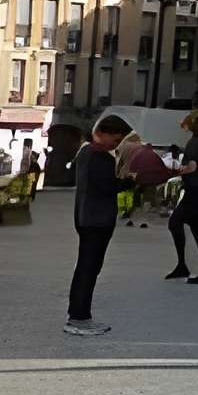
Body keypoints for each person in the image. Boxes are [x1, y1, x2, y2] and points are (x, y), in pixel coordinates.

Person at [65, 113, 131, 336]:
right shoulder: (98, 156)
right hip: (96, 220)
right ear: (102, 133)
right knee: (89, 268)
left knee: (87, 266)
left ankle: (79, 314)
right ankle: (79, 317)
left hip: (87, 218)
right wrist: (130, 180)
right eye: (116, 139)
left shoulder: (85, 152)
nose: (117, 144)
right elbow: (109, 187)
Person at [162, 114, 198, 284]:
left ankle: (183, 266)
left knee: (174, 223)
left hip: (194, 190)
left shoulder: (194, 142)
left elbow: (192, 167)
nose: (184, 128)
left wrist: (174, 171)